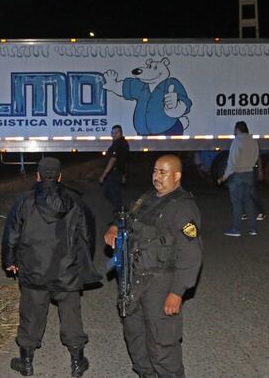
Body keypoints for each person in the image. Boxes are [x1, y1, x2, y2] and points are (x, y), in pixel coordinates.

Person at [104, 155, 202, 378]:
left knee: (162, 345)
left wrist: (177, 293)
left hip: (161, 283)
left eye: (163, 172)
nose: (156, 177)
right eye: (155, 171)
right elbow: (125, 218)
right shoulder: (146, 198)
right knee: (136, 337)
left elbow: (191, 255)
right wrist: (113, 227)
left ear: (177, 176)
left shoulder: (182, 208)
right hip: (134, 280)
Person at [2, 157, 101, 377]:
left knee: (31, 315)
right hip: (67, 270)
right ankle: (77, 363)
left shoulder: (24, 202)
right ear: (59, 176)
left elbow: (11, 235)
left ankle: (26, 363)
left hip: (34, 271)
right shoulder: (75, 201)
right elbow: (86, 235)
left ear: (37, 176)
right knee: (71, 316)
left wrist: (9, 261)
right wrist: (82, 262)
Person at [217, 121, 260, 236]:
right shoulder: (253, 141)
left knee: (237, 203)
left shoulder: (237, 142)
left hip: (237, 175)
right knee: (248, 202)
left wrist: (224, 176)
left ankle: (236, 229)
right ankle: (253, 229)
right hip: (249, 173)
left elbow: (232, 162)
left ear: (237, 129)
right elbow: (256, 157)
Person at [100, 124, 129, 214]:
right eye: (112, 133)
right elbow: (124, 160)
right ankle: (120, 209)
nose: (113, 135)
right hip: (118, 172)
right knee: (111, 193)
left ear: (120, 133)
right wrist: (123, 174)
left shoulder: (118, 144)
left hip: (114, 173)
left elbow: (113, 159)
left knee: (111, 193)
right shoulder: (123, 143)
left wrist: (104, 174)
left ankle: (120, 212)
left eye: (115, 133)